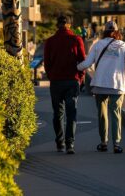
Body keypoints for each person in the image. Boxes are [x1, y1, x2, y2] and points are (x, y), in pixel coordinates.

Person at [78, 21, 125, 154]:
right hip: (117, 85)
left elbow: (87, 63)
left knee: (102, 114)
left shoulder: (98, 44)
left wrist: (75, 68)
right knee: (116, 114)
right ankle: (116, 144)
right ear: (117, 31)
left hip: (100, 84)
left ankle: (103, 142)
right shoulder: (124, 46)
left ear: (104, 31)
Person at [44, 15, 86, 154]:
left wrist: (52, 76)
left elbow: (47, 63)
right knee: (71, 113)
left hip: (56, 81)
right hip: (71, 81)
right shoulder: (76, 39)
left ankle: (60, 143)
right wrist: (80, 78)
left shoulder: (50, 41)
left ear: (57, 25)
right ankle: (70, 144)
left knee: (58, 114)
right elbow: (82, 61)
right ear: (69, 25)